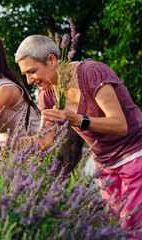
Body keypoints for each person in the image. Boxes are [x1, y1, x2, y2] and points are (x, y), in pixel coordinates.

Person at [15, 34, 142, 235]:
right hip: (105, 164)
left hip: (135, 153)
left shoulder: (91, 72)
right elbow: (46, 140)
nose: (30, 80)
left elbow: (120, 125)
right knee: (115, 229)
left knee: (133, 227)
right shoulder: (46, 94)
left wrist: (77, 119)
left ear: (51, 60)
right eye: (25, 74)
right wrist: (12, 145)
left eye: (32, 71)